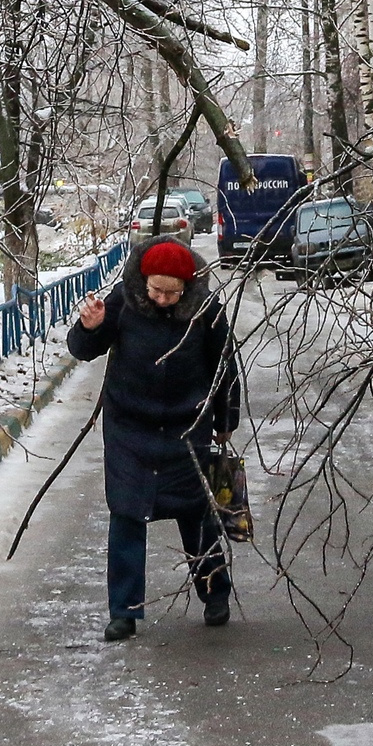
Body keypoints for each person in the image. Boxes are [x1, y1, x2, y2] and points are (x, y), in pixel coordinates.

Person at [69, 237, 242, 641]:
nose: (163, 299)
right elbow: (83, 350)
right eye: (156, 290)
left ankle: (215, 594)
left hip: (188, 429)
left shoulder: (207, 312)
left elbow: (225, 368)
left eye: (172, 292)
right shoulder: (124, 303)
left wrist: (225, 419)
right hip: (131, 430)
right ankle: (124, 612)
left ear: (187, 286)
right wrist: (88, 327)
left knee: (198, 515)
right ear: (143, 282)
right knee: (127, 516)